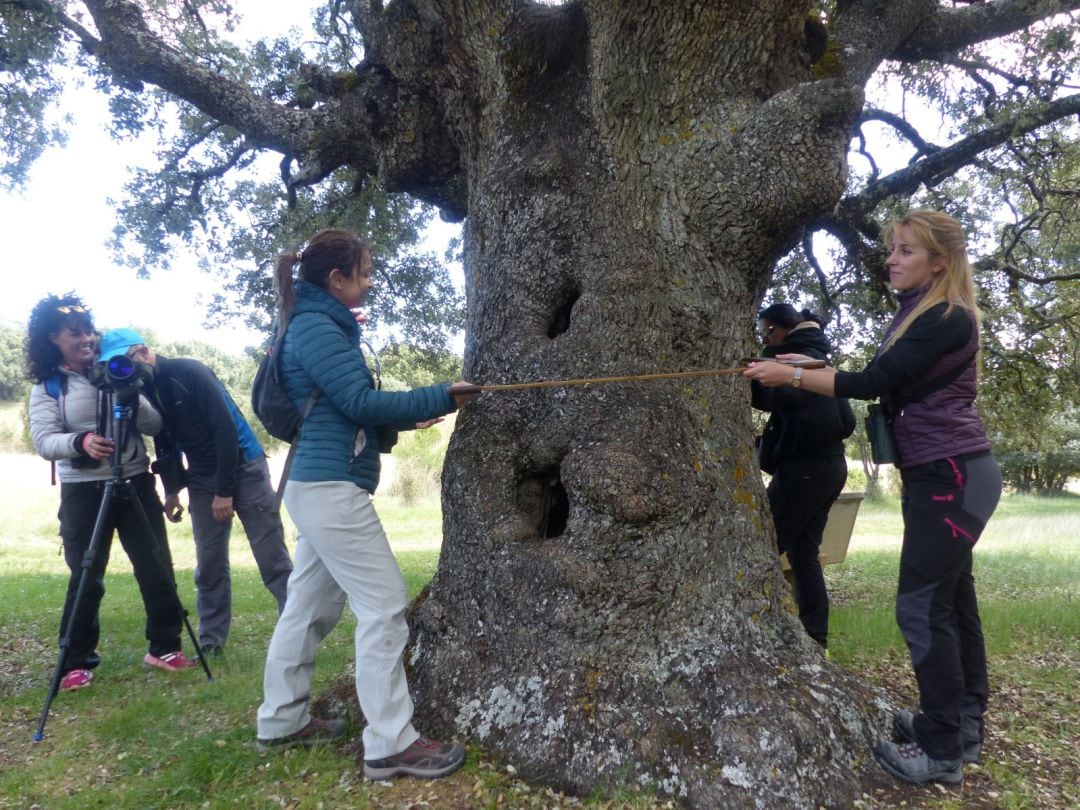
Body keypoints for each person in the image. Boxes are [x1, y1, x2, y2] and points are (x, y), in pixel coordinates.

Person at [743, 211, 1001, 786]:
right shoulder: (919, 312)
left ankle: (942, 748)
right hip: (940, 474)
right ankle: (960, 726)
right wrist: (803, 365)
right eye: (892, 249)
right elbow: (875, 372)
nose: (892, 259)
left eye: (906, 250)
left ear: (939, 261)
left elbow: (870, 383)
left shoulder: (946, 317)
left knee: (921, 605)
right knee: (953, 599)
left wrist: (791, 377)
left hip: (953, 475)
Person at [254, 229, 476, 781]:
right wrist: (441, 394)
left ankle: (281, 720)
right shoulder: (318, 327)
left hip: (318, 486)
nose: (370, 282)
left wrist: (413, 413)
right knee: (382, 605)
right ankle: (391, 743)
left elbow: (343, 412)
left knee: (307, 609)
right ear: (337, 279)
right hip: (330, 489)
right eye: (365, 272)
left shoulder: (313, 323)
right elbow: (358, 401)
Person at [26, 294, 194, 692]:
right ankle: (76, 662)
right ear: (54, 337)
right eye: (75, 333)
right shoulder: (49, 387)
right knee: (87, 575)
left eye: (89, 331)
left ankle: (165, 647)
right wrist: (80, 442)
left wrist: (130, 391)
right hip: (83, 491)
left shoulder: (116, 372)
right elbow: (45, 441)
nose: (86, 339)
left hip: (135, 480)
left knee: (155, 565)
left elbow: (154, 426)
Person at [97, 329, 294, 658]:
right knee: (210, 564)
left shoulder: (190, 372)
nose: (124, 371)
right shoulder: (144, 387)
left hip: (243, 466)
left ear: (144, 351)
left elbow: (225, 429)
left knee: (271, 556)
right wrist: (172, 489)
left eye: (126, 360)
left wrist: (225, 491)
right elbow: (164, 438)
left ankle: (296, 630)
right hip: (201, 476)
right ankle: (211, 643)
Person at [749, 304, 853, 650]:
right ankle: (815, 635)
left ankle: (756, 627)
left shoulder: (794, 359)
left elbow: (778, 401)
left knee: (762, 545)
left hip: (806, 469)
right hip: (832, 465)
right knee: (804, 553)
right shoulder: (818, 355)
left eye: (766, 332)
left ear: (781, 330)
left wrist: (753, 375)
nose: (764, 338)